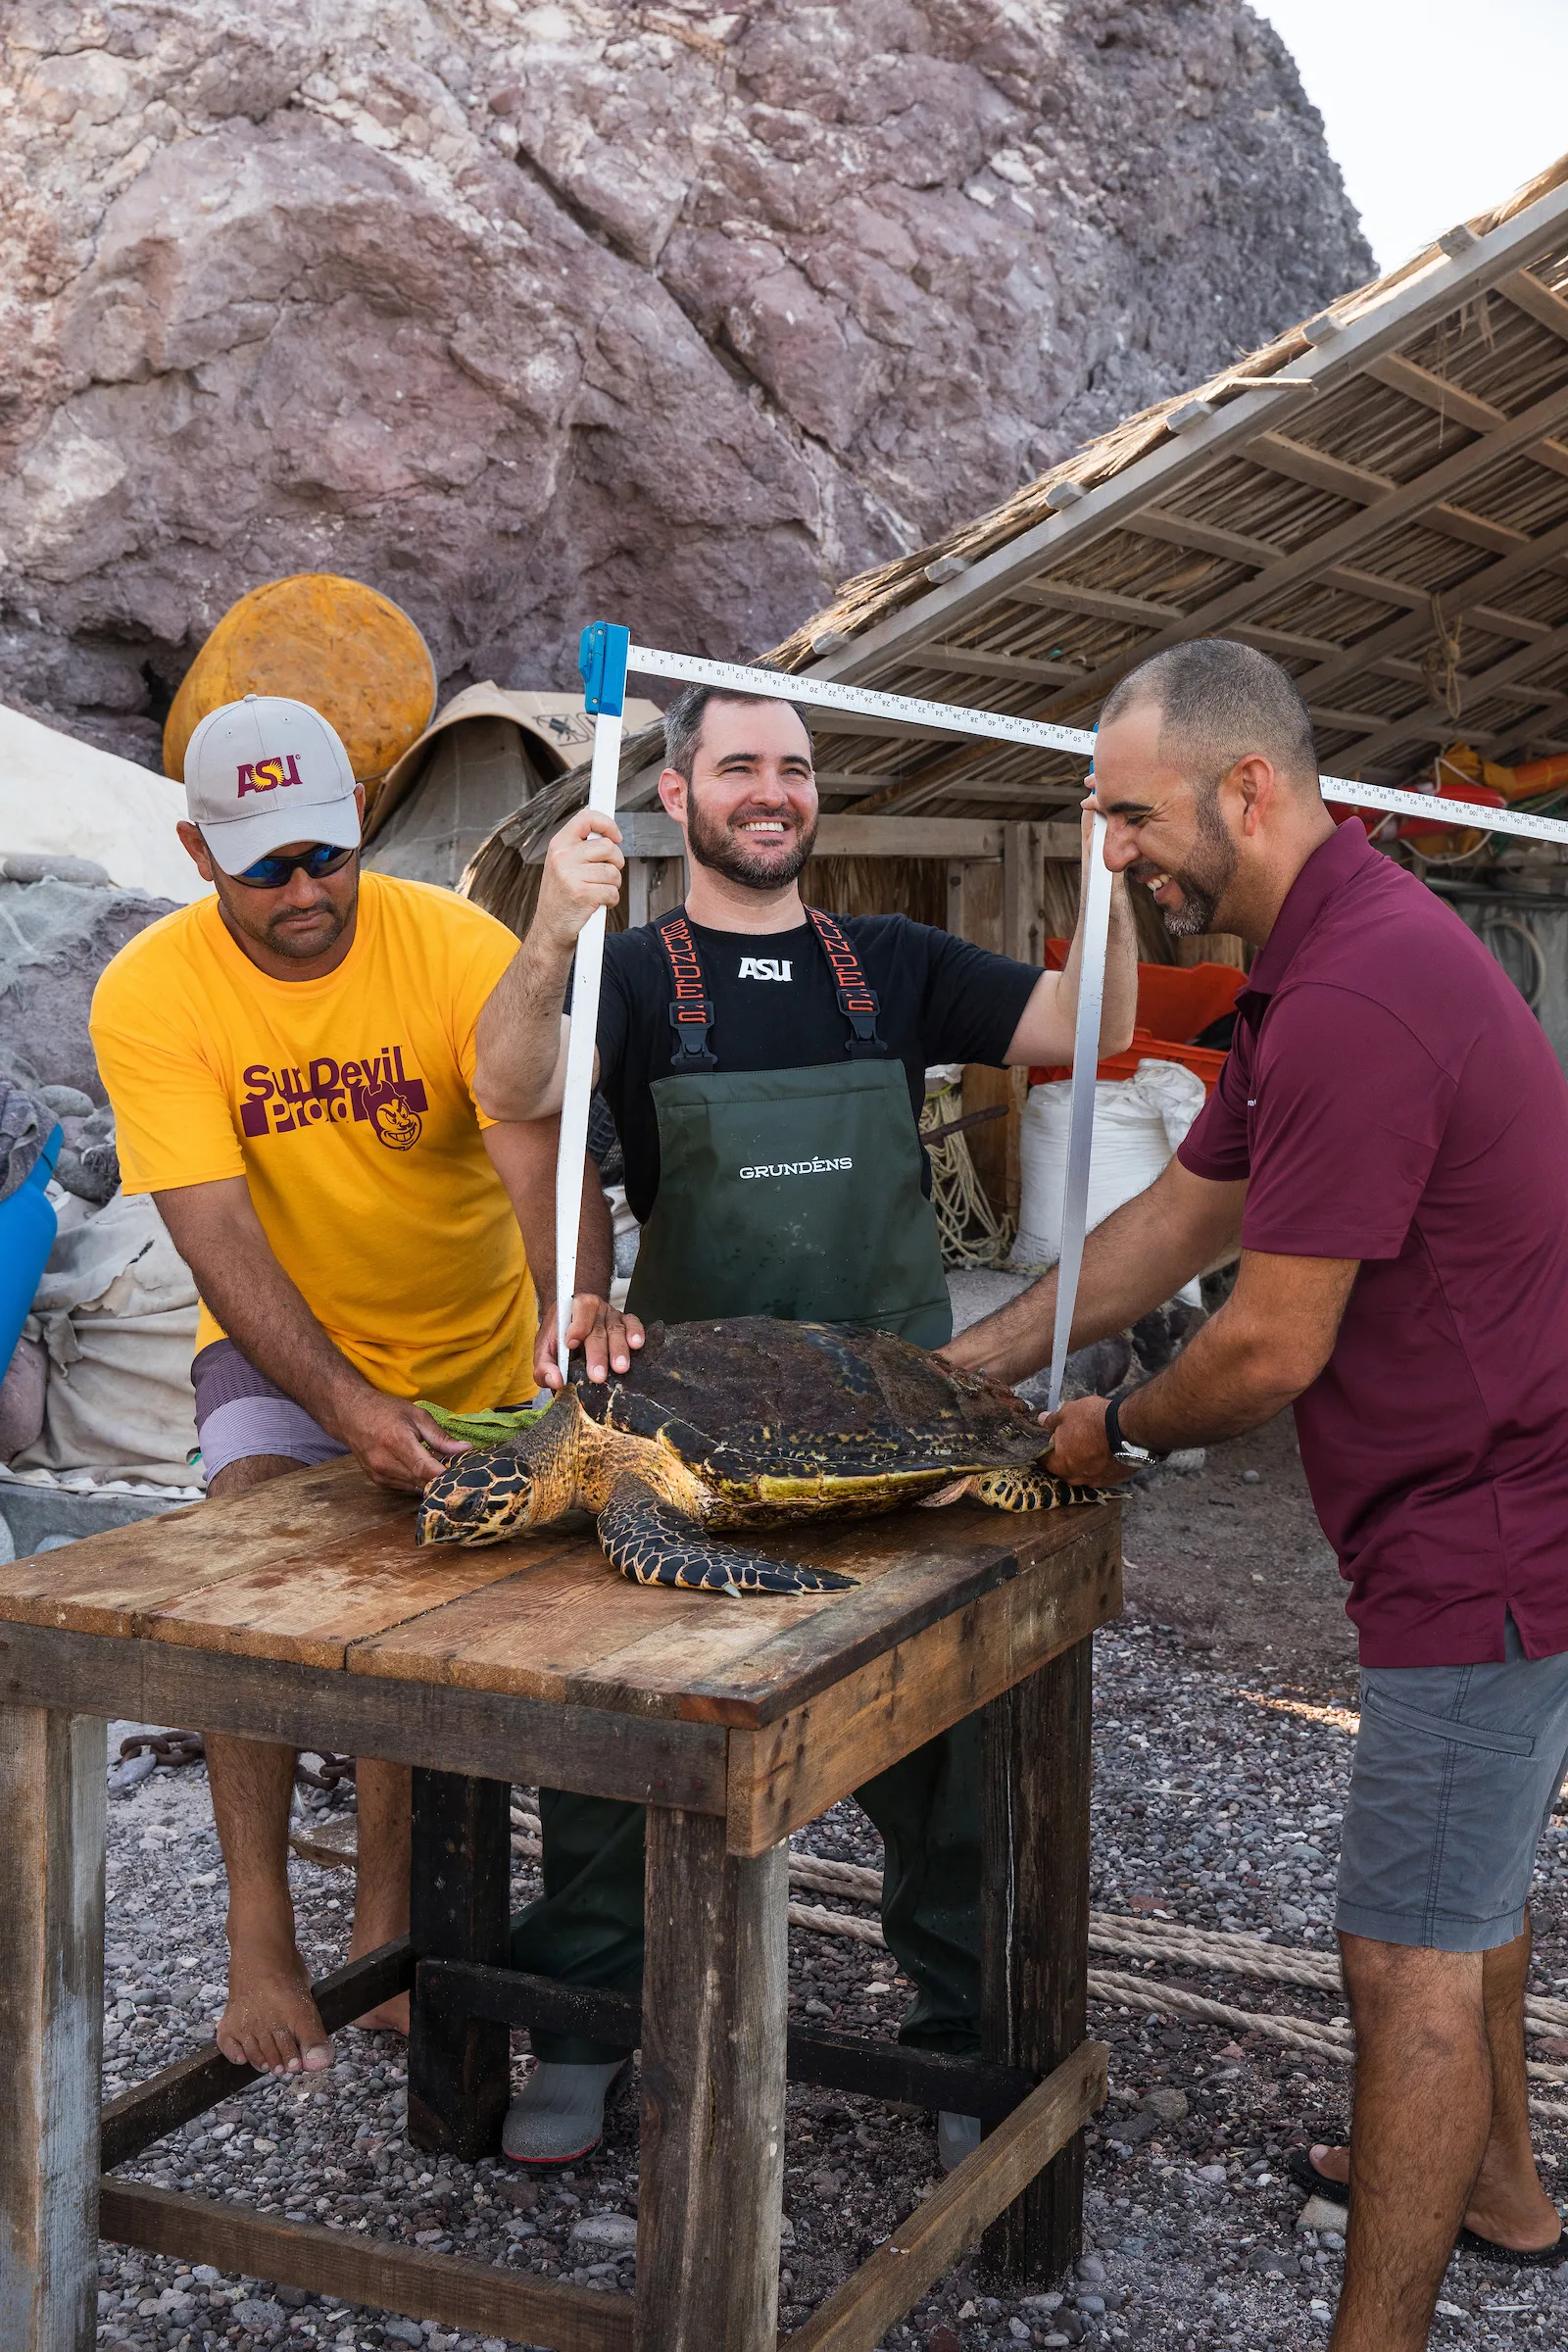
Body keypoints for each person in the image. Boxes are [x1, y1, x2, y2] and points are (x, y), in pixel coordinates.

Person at [946, 638, 1568, 2349]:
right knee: (1474, 1883)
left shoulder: (1359, 995)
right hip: (1477, 1509)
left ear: (1248, 789)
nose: (1119, 858)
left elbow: (1272, 1347)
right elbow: (1181, 1220)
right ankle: (1507, 2190)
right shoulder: (1318, 961)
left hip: (1492, 1531)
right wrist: (978, 1370)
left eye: (1132, 820)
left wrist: (1117, 1435)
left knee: (1405, 1961)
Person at [471, 679, 1139, 2165]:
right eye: (740, 767)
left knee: (947, 1736)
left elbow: (1093, 1028)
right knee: (628, 1720)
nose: (773, 790)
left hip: (893, 1421)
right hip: (690, 1425)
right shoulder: (634, 974)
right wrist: (549, 934)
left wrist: (1106, 864)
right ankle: (583, 2027)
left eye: (796, 767)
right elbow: (508, 1088)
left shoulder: (892, 963)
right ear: (676, 795)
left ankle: (961, 2049)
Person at [91, 692, 620, 2081]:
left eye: (327, 853)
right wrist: (344, 1411)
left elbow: (543, 1165)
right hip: (288, 1348)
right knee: (239, 1590)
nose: (307, 891)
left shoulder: (454, 946)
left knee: (425, 1601)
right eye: (266, 867)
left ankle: (388, 1909)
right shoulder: (149, 992)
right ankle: (261, 1932)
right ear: (201, 851)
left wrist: (574, 1307)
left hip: (478, 1346)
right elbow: (218, 1239)